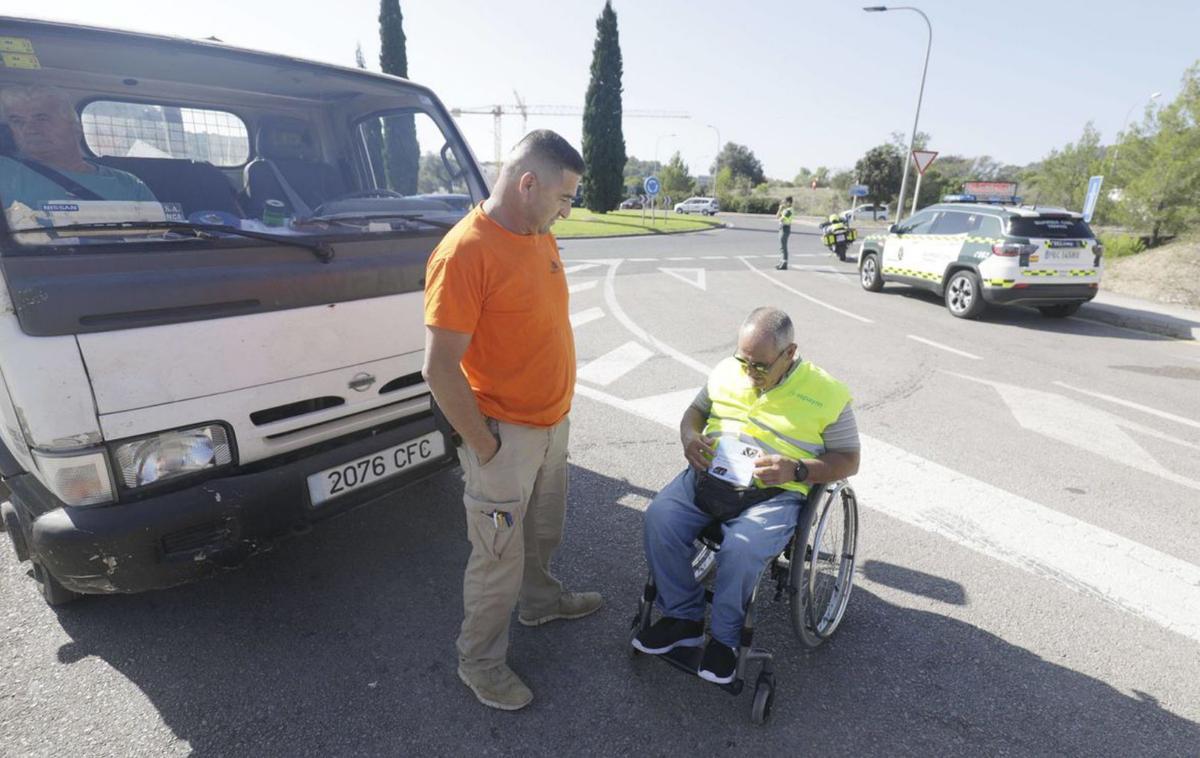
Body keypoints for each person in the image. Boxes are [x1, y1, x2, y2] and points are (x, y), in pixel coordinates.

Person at [422, 130, 601, 712]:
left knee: (541, 530)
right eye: (563, 197)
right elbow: (439, 368)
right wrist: (484, 445)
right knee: (496, 559)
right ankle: (479, 662)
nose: (566, 211)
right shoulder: (464, 252)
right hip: (504, 435)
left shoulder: (536, 233)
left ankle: (541, 602)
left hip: (551, 425)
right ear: (528, 184)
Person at [632, 307, 861, 684]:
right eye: (744, 361)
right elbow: (695, 411)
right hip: (710, 477)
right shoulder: (728, 370)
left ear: (790, 354)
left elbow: (848, 460)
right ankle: (682, 617)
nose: (748, 373)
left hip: (773, 493)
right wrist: (690, 437)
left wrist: (798, 469)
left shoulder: (827, 394)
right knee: (659, 518)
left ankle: (724, 640)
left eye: (759, 366)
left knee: (740, 548)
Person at [0, 85, 156, 211]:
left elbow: (158, 239)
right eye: (17, 121)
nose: (29, 129)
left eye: (41, 118)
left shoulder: (128, 184)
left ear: (75, 127)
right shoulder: (5, 171)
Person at [775, 196, 794, 270]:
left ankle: (784, 263)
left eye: (785, 202)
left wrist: (780, 216)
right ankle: (781, 262)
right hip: (782, 228)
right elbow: (777, 217)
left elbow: (782, 219)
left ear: (789, 202)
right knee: (781, 247)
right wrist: (780, 209)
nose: (784, 204)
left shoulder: (789, 210)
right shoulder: (785, 210)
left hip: (785, 228)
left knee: (784, 247)